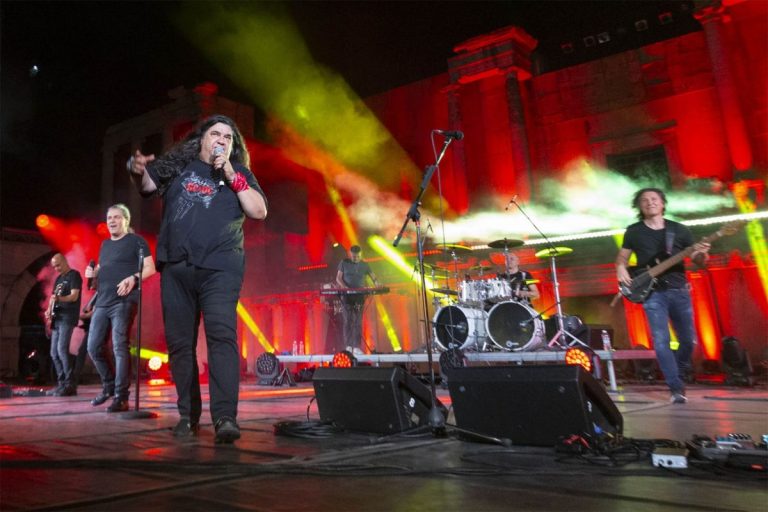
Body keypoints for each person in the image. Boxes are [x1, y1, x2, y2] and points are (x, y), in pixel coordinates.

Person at [128, 115, 268, 443]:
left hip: (220, 268)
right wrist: (136, 171)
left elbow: (259, 211)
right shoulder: (179, 166)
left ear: (233, 146)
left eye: (228, 137)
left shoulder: (239, 173)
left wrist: (231, 174)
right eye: (216, 134)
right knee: (180, 345)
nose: (222, 140)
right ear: (202, 139)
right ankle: (187, 416)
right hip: (177, 268)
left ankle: (225, 418)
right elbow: (147, 186)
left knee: (222, 337)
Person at [616, 187, 710, 404]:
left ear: (662, 203)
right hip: (652, 293)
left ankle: (679, 369)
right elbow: (622, 257)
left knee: (688, 341)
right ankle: (675, 387)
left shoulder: (679, 230)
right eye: (644, 200)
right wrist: (620, 267)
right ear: (639, 206)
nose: (650, 202)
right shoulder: (634, 231)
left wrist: (703, 253)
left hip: (679, 290)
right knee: (661, 341)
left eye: (654, 199)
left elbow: (698, 260)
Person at [86, 204, 156, 412]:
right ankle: (109, 385)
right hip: (102, 302)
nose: (112, 221)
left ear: (126, 220)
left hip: (123, 301)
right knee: (93, 347)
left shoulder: (136, 241)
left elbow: (150, 268)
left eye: (116, 217)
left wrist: (134, 278)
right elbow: (103, 269)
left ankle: (121, 397)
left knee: (119, 346)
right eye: (109, 218)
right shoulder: (105, 244)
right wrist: (93, 274)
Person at [44, 253, 82, 396]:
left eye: (58, 265)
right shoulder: (58, 279)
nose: (57, 268)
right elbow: (53, 298)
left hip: (67, 317)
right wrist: (48, 310)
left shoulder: (74, 275)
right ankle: (61, 384)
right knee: (53, 353)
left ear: (65, 261)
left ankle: (70, 384)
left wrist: (59, 298)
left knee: (62, 350)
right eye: (54, 267)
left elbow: (74, 296)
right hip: (57, 318)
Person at [335, 245, 380, 355]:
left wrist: (376, 283)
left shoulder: (364, 265)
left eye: (358, 257)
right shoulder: (344, 263)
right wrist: (345, 287)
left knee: (358, 321)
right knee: (348, 320)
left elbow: (373, 276)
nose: (356, 259)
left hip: (359, 296)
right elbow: (338, 278)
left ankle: (356, 346)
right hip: (347, 296)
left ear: (361, 255)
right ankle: (348, 346)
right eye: (354, 257)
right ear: (350, 255)